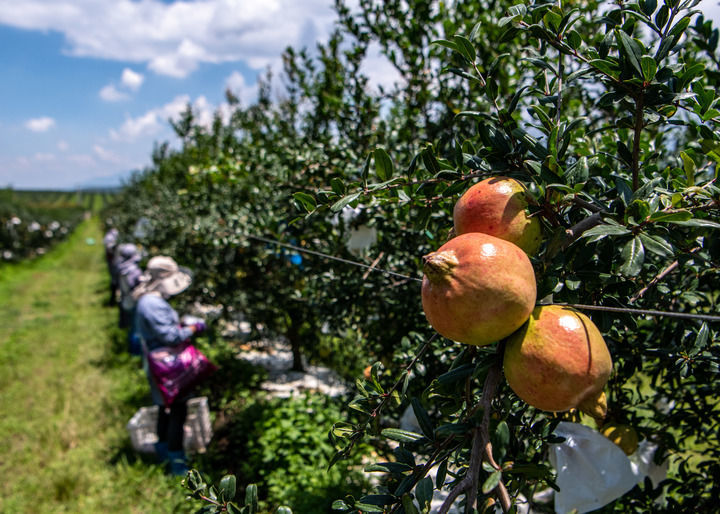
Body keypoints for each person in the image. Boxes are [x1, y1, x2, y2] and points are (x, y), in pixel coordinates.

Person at [132, 256, 206, 476]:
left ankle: (163, 451)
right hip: (165, 365)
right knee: (177, 409)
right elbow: (171, 336)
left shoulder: (148, 299)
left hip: (158, 361)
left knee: (166, 407)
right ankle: (177, 463)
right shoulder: (152, 303)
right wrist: (193, 329)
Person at [115, 244, 144, 353]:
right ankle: (135, 351)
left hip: (124, 299)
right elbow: (136, 287)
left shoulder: (122, 268)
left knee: (131, 326)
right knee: (136, 328)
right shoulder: (133, 271)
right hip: (132, 301)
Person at [102, 227, 119, 304]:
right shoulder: (110, 237)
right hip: (113, 261)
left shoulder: (109, 236)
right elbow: (109, 249)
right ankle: (113, 299)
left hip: (113, 261)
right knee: (114, 280)